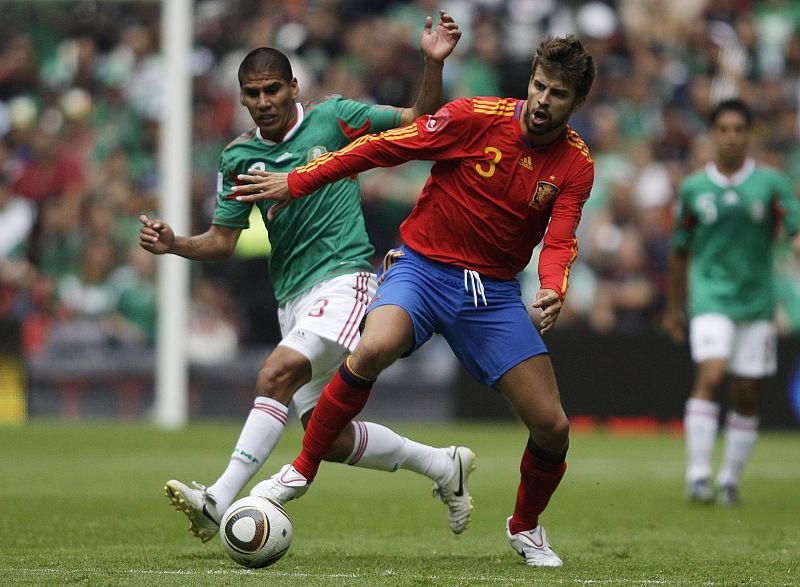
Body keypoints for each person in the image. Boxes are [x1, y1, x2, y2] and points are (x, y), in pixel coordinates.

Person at [233, 34, 596, 567]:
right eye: (539, 86)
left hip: (490, 294)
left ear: (577, 103)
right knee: (375, 346)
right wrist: (300, 180)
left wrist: (551, 290)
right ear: (530, 80)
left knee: (553, 426)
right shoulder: (474, 117)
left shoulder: (576, 164)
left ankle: (525, 527)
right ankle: (300, 471)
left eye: (558, 94)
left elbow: (561, 238)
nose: (543, 101)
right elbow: (383, 147)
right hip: (421, 269)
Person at [139, 12, 474, 543]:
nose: (265, 101)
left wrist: (431, 63)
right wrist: (175, 243)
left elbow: (418, 118)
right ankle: (441, 465)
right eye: (253, 93)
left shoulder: (335, 117)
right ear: (242, 98)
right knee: (332, 439)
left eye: (273, 89)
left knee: (275, 375)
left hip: (345, 281)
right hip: (292, 298)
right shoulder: (238, 157)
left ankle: (218, 498)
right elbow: (222, 242)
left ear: (294, 87)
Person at [662, 98, 800, 506]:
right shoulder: (693, 189)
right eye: (724, 129)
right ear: (713, 134)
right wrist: (674, 306)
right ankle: (699, 474)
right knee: (712, 373)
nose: (732, 137)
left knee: (746, 393)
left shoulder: (771, 185)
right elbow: (679, 250)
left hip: (756, 303)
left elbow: (794, 225)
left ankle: (729, 480)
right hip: (710, 297)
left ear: (749, 134)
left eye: (740, 129)